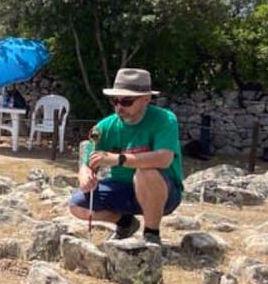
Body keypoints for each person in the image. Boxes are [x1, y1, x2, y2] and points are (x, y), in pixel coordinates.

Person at [67, 68, 184, 244]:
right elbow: (87, 162)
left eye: (127, 101)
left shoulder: (165, 120)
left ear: (146, 99)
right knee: (77, 205)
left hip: (163, 193)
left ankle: (151, 234)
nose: (119, 107)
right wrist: (85, 176)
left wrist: (119, 159)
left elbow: (164, 158)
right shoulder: (105, 126)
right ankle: (126, 223)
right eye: (115, 101)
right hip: (122, 189)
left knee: (146, 172)